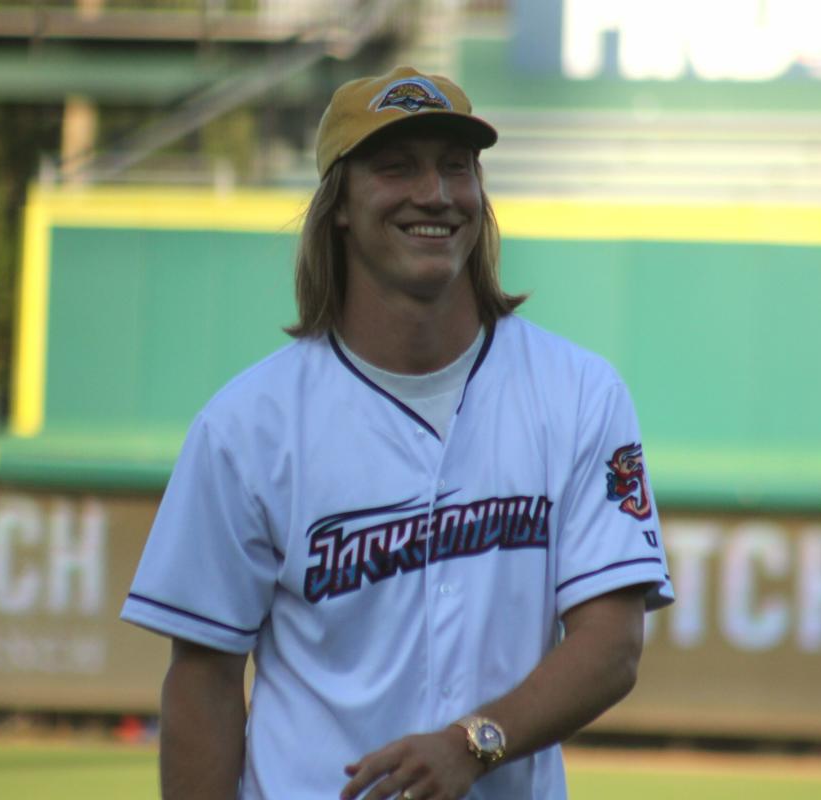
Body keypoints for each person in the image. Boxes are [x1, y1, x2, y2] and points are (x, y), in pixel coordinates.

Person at [121, 65, 674, 800]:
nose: (435, 194)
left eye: (457, 167)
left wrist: (473, 743)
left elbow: (612, 646)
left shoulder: (577, 393)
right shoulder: (248, 425)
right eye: (396, 167)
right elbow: (202, 682)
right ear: (340, 203)